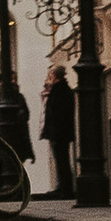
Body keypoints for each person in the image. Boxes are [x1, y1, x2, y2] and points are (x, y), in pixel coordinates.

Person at [44, 62, 77, 201]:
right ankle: (63, 186)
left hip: (59, 132)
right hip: (61, 131)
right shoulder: (62, 89)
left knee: (62, 160)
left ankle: (65, 188)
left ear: (54, 76)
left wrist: (54, 131)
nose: (48, 77)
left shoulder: (59, 91)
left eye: (50, 75)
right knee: (61, 160)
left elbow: (57, 113)